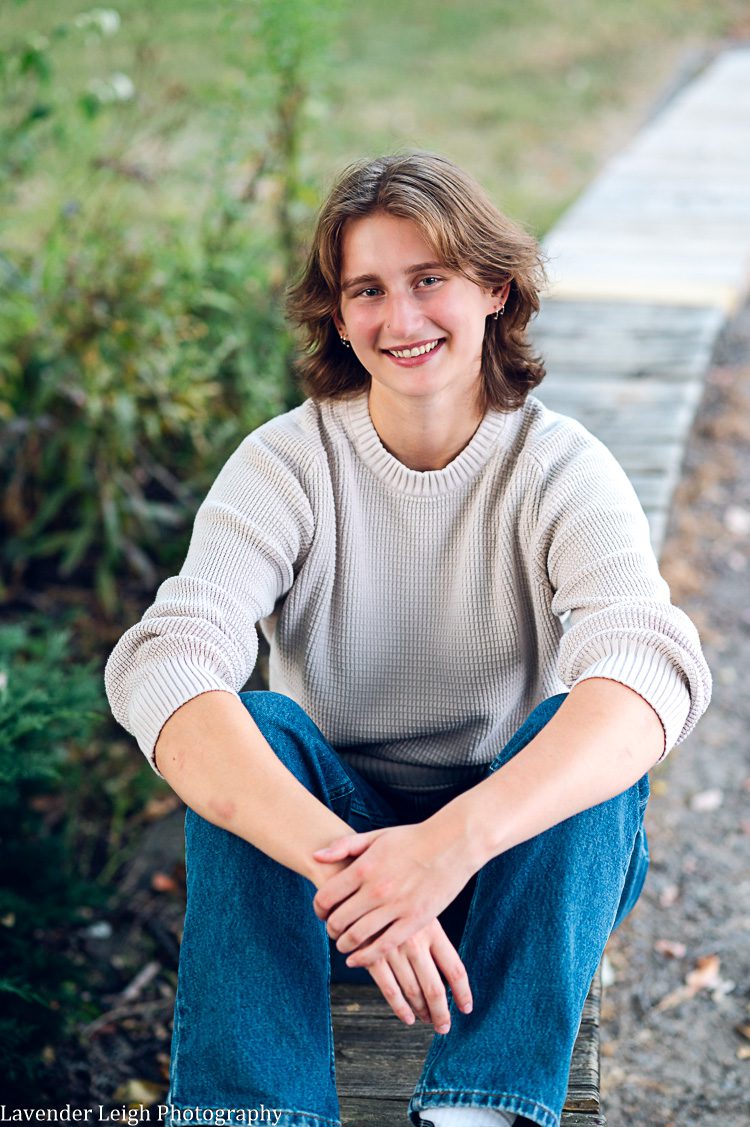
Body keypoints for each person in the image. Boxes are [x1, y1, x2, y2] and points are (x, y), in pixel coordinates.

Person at [104, 151, 712, 1127]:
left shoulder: (561, 469)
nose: (402, 317)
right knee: (246, 723)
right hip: (329, 880)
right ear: (339, 317)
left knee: (584, 730)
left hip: (515, 882)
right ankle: (252, 1113)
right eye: (368, 290)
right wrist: (353, 863)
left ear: (493, 288)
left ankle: (480, 1108)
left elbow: (649, 670)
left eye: (429, 279)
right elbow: (168, 658)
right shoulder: (286, 465)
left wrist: (448, 845)